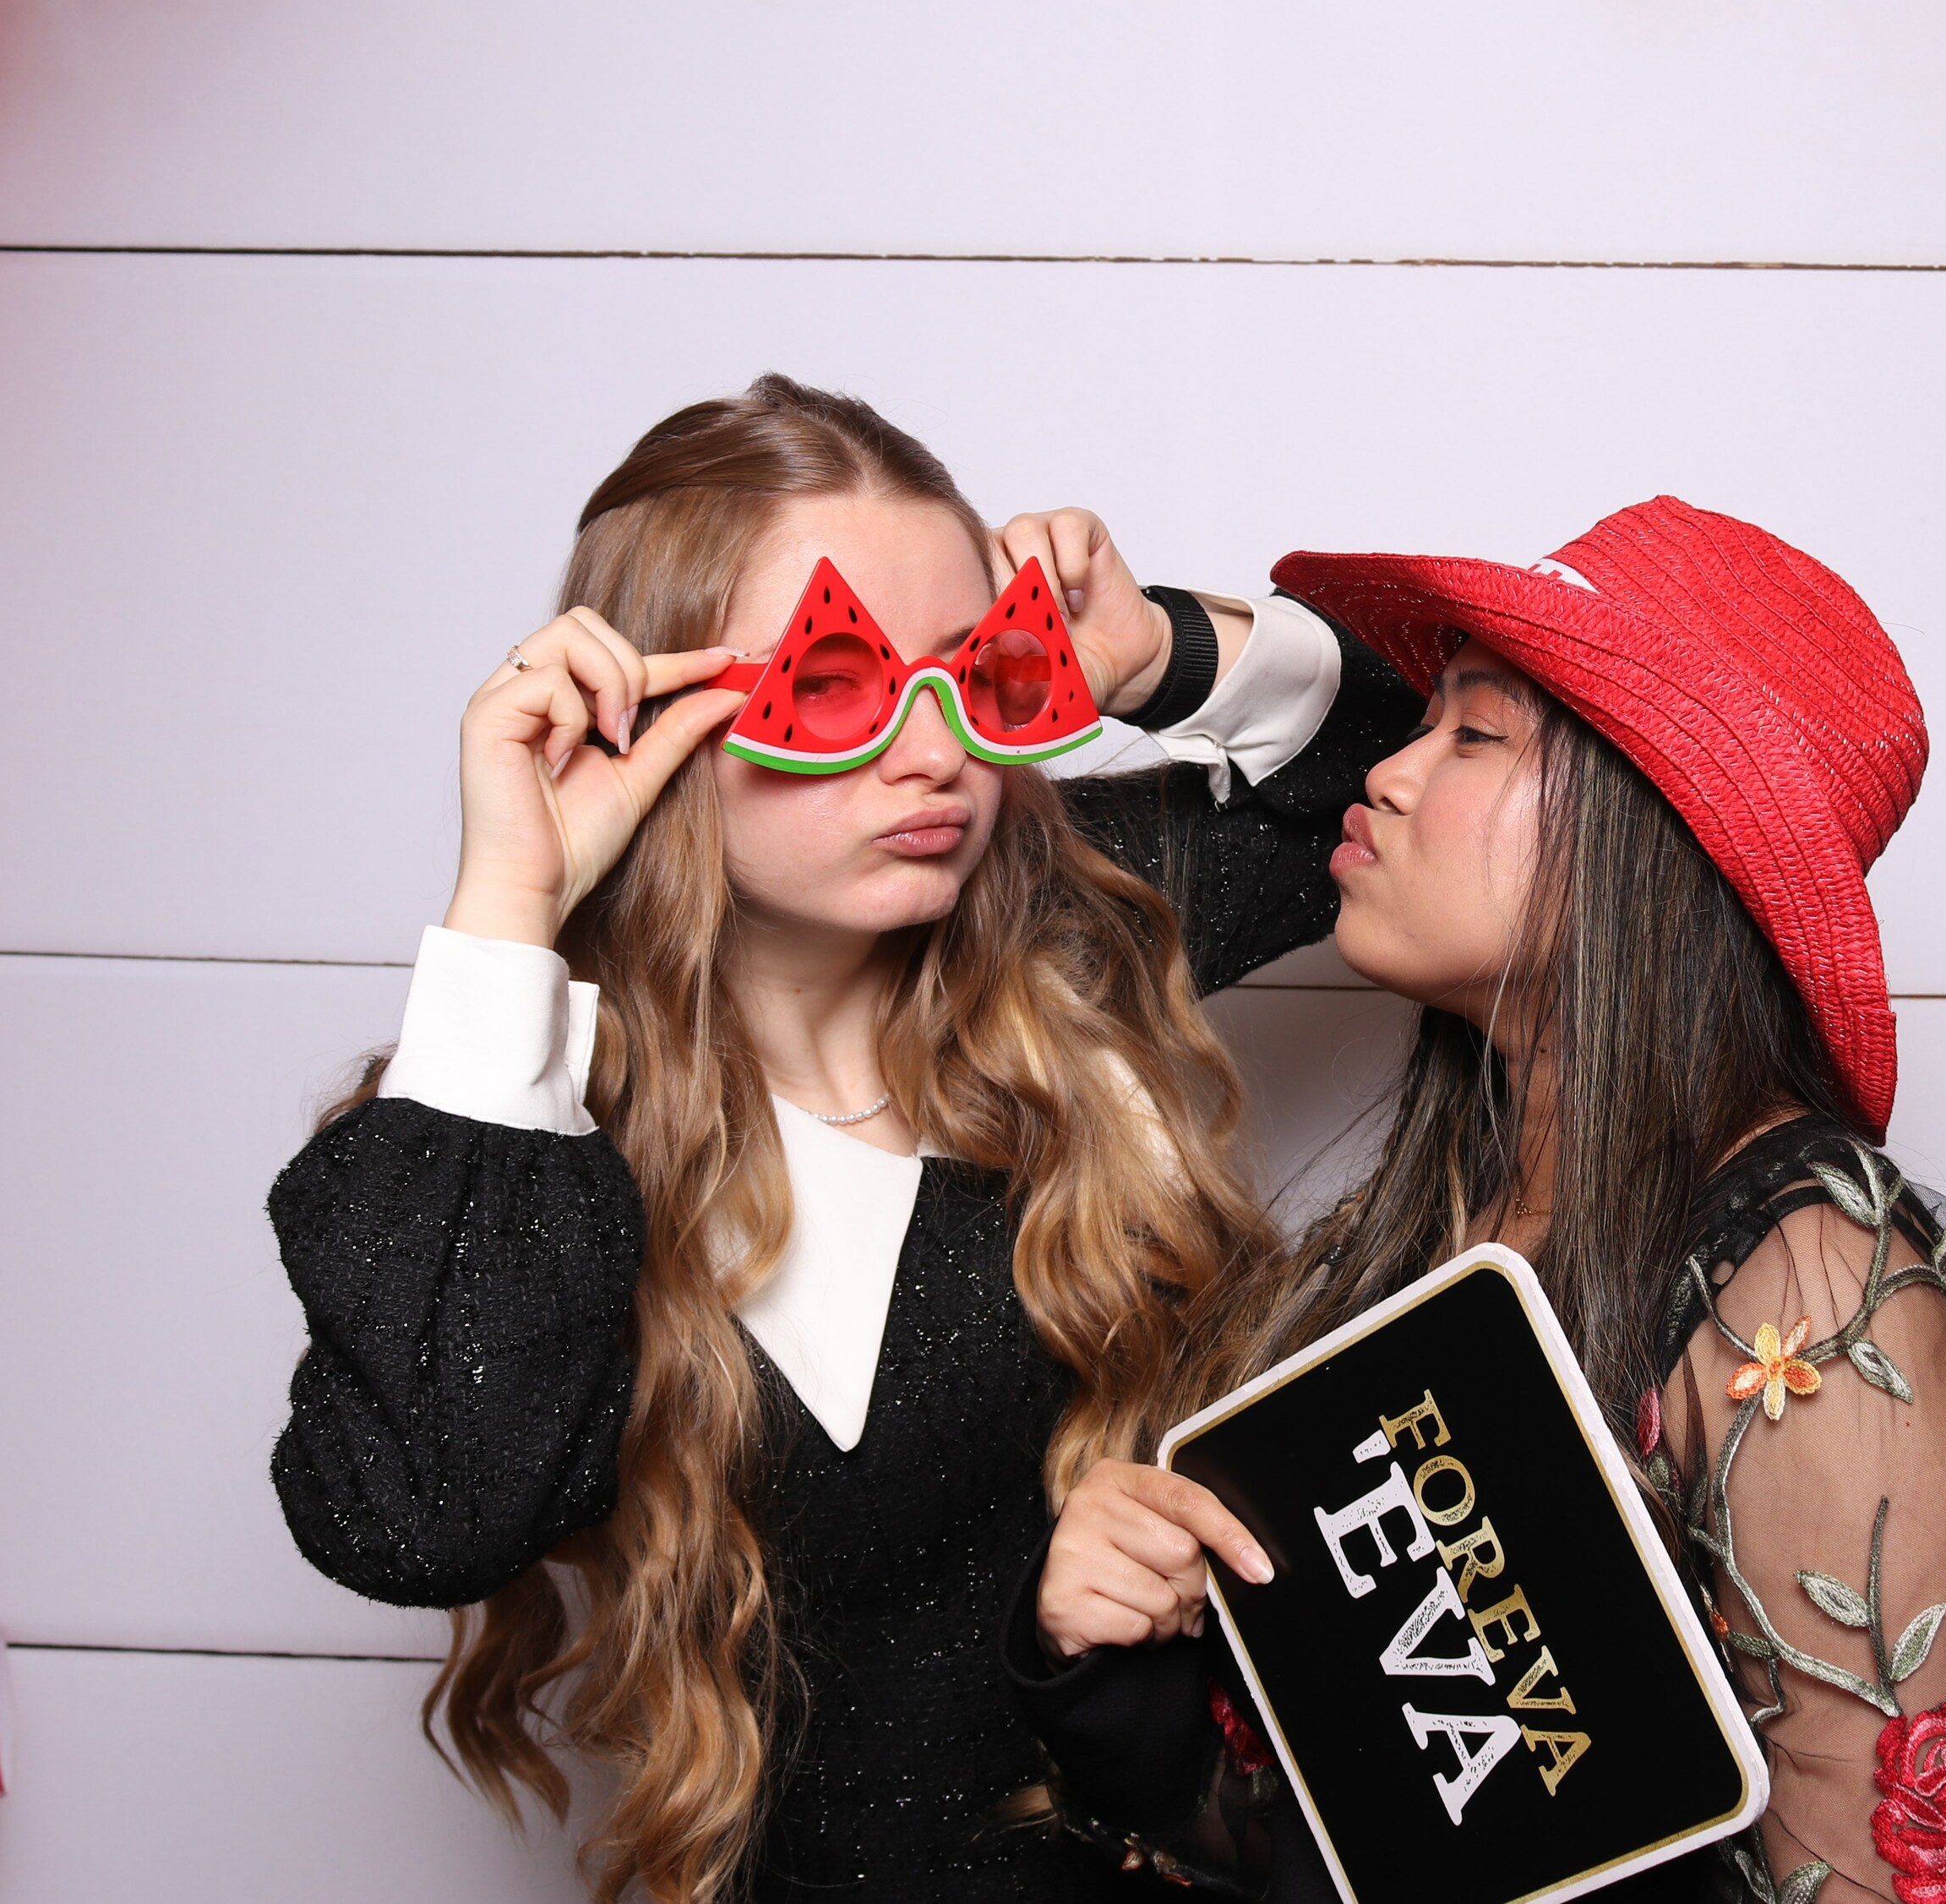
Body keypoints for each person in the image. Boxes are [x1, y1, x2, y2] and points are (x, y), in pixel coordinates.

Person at [267, 377, 1415, 1904]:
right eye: (835, 685)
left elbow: (1413, 787)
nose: (935, 754)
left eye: (976, 670)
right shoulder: (511, 1121)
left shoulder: (1064, 942)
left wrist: (1156, 652)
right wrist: (512, 904)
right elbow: (426, 1521)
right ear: (649, 712)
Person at [1010, 498, 1946, 1904]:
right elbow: (1351, 1843)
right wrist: (1101, 1654)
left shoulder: (1810, 1288)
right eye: (1423, 721)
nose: (1386, 773)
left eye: (1474, 735)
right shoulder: (1447, 1211)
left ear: (1647, 833)